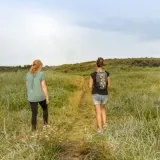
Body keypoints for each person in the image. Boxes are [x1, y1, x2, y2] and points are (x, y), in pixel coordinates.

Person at [26, 60, 49, 134]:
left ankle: (33, 131)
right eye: (41, 66)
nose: (41, 68)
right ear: (39, 66)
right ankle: (45, 126)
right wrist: (47, 97)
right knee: (45, 109)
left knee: (34, 113)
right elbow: (44, 86)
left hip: (31, 97)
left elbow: (27, 86)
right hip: (40, 96)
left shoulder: (28, 74)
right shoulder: (41, 74)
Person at [89, 57, 110, 134]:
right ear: (103, 65)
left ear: (96, 64)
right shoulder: (107, 73)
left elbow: (90, 86)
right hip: (105, 94)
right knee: (103, 109)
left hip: (96, 94)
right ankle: (105, 125)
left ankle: (100, 129)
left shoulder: (93, 74)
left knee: (98, 111)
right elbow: (109, 85)